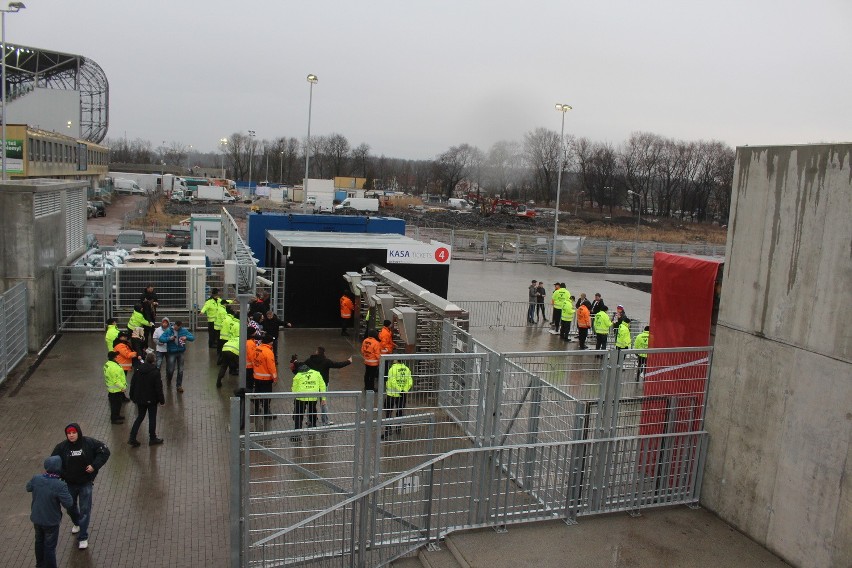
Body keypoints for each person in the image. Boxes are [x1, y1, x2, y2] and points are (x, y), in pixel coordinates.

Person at [51, 423, 111, 551]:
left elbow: (105, 451)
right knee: (70, 507)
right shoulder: (61, 447)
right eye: (69, 433)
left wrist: (94, 466)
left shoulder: (89, 443)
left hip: (85, 483)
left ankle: (83, 536)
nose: (71, 435)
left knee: (85, 510)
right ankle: (77, 523)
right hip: (69, 484)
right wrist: (62, 474)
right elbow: (53, 462)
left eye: (74, 433)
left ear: (78, 433)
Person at [26, 455, 79, 568]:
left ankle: (40, 565)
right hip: (51, 521)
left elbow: (28, 488)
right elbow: (69, 503)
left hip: (37, 518)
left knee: (39, 542)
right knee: (49, 547)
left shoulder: (36, 478)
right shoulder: (60, 485)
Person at [304, 346, 352, 426]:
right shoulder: (326, 361)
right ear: (323, 353)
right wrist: (348, 361)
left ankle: (310, 420)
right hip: (323, 386)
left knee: (311, 403)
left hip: (312, 385)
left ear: (316, 352)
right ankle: (325, 422)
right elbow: (338, 365)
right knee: (323, 403)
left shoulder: (309, 361)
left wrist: (294, 362)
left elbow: (301, 366)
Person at [128, 352, 165, 447]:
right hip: (151, 399)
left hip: (140, 399)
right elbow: (158, 388)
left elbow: (133, 384)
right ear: (153, 361)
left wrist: (132, 396)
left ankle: (132, 437)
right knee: (152, 418)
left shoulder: (138, 370)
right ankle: (152, 438)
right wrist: (162, 400)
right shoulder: (155, 372)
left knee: (140, 417)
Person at [159, 319, 195, 392]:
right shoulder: (169, 331)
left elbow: (193, 338)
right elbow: (161, 339)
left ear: (180, 326)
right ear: (174, 325)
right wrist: (169, 338)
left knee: (180, 370)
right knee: (170, 370)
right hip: (171, 352)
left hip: (180, 352)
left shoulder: (184, 331)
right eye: (175, 326)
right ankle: (169, 379)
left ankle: (179, 385)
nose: (176, 328)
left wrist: (186, 337)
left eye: (178, 327)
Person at [291, 363, 326, 432]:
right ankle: (313, 427)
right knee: (312, 412)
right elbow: (322, 385)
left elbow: (294, 389)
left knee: (298, 414)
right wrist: (323, 398)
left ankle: (297, 433)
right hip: (313, 397)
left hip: (300, 398)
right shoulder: (317, 373)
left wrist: (295, 396)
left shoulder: (298, 375)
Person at [383, 360, 413, 438]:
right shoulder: (406, 369)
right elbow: (410, 381)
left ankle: (388, 428)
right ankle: (398, 428)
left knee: (388, 411)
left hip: (392, 394)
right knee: (400, 411)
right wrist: (404, 390)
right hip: (402, 395)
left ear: (395, 360)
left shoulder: (392, 369)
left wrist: (398, 389)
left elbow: (392, 380)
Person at [253, 335, 278, 417]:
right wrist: (274, 378)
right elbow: (271, 367)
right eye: (272, 341)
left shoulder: (257, 348)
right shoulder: (268, 352)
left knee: (257, 394)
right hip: (266, 378)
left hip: (257, 376)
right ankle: (266, 412)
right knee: (267, 396)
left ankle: (256, 410)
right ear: (269, 342)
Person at [104, 351, 127, 424]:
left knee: (118, 404)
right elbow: (116, 381)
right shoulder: (113, 368)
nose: (117, 357)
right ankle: (114, 419)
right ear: (114, 358)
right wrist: (123, 387)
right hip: (115, 390)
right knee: (115, 405)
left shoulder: (107, 364)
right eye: (116, 356)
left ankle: (117, 416)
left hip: (112, 389)